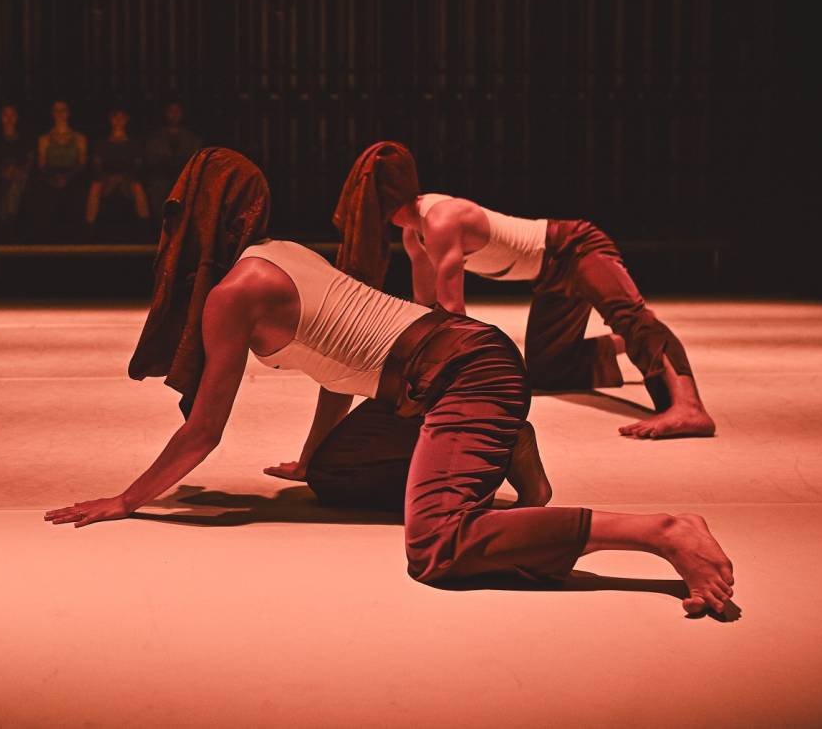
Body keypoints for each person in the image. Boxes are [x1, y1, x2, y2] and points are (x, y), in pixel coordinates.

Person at [45, 148, 736, 617]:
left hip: (465, 373)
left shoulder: (235, 294)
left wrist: (127, 498)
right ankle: (509, 445)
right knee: (337, 476)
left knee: (436, 544)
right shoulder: (279, 253)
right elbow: (333, 372)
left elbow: (204, 430)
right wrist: (314, 454)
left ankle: (660, 529)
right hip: (443, 371)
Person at [333, 141, 715, 440]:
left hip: (573, 248)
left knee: (632, 316)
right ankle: (623, 343)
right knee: (548, 370)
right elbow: (427, 307)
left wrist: (455, 380)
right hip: (548, 275)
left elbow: (452, 310)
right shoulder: (412, 232)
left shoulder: (441, 220)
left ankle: (688, 405)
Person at [85, 107, 150, 232]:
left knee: (137, 187)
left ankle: (145, 229)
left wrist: (124, 179)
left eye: (122, 117)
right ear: (111, 119)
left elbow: (137, 165)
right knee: (95, 187)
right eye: (115, 117)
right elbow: (97, 166)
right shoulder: (101, 143)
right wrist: (109, 179)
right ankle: (89, 229)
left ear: (127, 120)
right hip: (106, 182)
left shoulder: (134, 143)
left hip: (128, 181)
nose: (118, 120)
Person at [32, 100, 88, 239]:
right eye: (56, 110)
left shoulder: (80, 138)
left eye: (62, 110)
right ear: (52, 114)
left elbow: (82, 163)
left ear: (68, 113)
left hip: (74, 176)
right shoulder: (44, 139)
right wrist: (55, 177)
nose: (60, 113)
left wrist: (67, 177)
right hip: (50, 176)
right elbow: (42, 164)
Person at [143, 100, 202, 220]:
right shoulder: (155, 137)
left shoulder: (192, 138)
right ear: (165, 114)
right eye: (171, 111)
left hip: (185, 176)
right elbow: (151, 159)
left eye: (177, 111)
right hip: (161, 176)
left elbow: (196, 160)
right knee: (157, 186)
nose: (174, 115)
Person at [0, 104, 35, 237]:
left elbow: (30, 163)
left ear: (17, 118)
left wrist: (17, 170)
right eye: (6, 115)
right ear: (1, 118)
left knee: (14, 179)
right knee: (10, 179)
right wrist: (2, 170)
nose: (9, 118)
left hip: (20, 176)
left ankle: (4, 219)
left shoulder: (25, 137)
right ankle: (9, 221)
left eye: (12, 115)